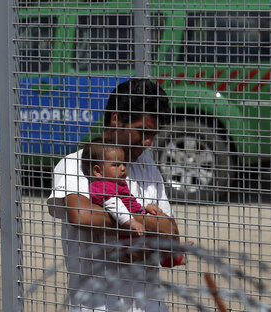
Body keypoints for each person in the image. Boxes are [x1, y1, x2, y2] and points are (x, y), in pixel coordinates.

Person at [46, 78, 182, 312]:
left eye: (153, 134)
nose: (148, 142)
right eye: (143, 132)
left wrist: (145, 226)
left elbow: (171, 233)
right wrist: (146, 224)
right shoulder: (77, 164)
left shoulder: (147, 166)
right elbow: (82, 215)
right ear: (116, 119)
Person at [81, 137, 185, 268]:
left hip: (135, 217)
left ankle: (173, 253)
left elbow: (130, 202)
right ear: (98, 171)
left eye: (123, 164)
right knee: (150, 242)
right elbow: (114, 205)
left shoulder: (117, 183)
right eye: (116, 165)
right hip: (125, 229)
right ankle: (172, 255)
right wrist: (131, 222)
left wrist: (146, 207)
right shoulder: (103, 187)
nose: (123, 168)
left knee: (161, 231)